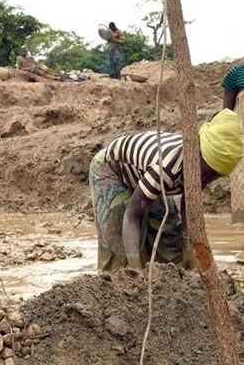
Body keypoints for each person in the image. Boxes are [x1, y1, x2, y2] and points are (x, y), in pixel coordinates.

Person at [89, 108, 243, 272]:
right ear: (198, 156)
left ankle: (170, 279)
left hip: (146, 175)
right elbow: (132, 215)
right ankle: (117, 284)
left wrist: (189, 248)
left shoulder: (199, 168)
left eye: (215, 177)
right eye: (208, 173)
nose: (207, 180)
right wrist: (135, 271)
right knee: (117, 245)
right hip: (113, 170)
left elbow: (189, 207)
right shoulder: (164, 170)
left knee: (169, 235)